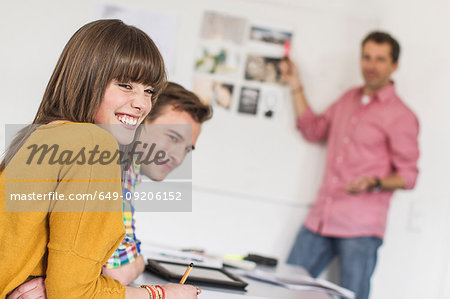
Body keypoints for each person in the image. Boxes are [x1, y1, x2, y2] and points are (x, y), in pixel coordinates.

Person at [1, 19, 198, 299]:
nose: (142, 104)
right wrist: (162, 294)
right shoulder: (93, 144)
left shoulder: (42, 136)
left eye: (149, 91)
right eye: (126, 85)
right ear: (86, 79)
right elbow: (73, 292)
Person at [280, 31, 419, 299]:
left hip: (361, 227)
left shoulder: (402, 116)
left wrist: (375, 182)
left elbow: (409, 176)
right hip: (321, 218)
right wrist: (295, 83)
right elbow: (313, 129)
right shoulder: (348, 100)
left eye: (380, 59)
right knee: (286, 291)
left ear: (394, 66)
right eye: (366, 57)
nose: (371, 65)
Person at [102, 82, 213, 285]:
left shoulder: (130, 168)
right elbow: (119, 274)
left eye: (187, 149)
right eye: (172, 138)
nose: (178, 157)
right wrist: (140, 262)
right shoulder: (117, 164)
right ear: (141, 121)